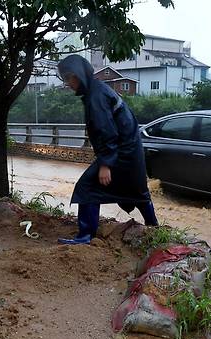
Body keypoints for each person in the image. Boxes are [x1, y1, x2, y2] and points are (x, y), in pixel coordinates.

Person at [56, 54, 158, 245]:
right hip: (130, 149)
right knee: (137, 189)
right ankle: (154, 227)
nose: (67, 83)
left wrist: (105, 164)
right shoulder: (97, 91)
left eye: (68, 78)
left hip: (121, 151)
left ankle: (85, 236)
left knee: (87, 188)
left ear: (78, 75)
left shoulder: (95, 96)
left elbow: (106, 131)